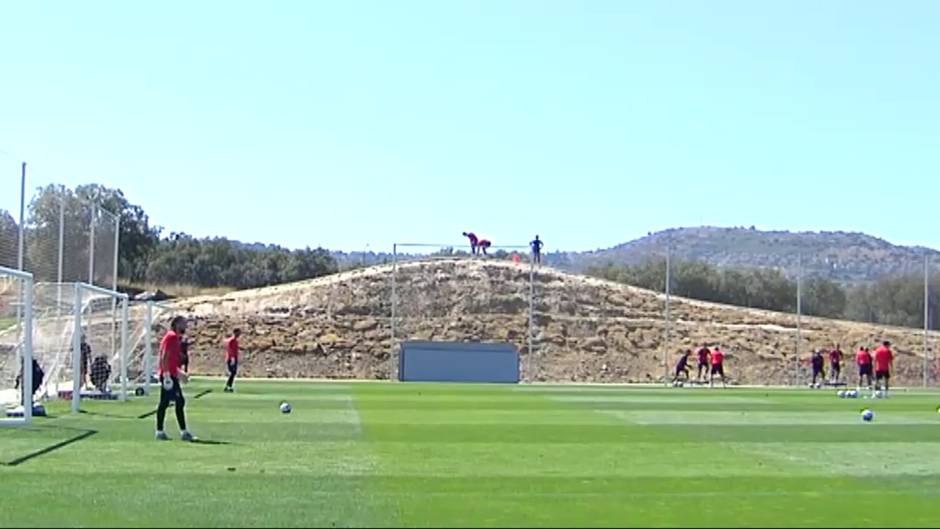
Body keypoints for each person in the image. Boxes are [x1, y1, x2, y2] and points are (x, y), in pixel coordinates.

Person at [155, 316, 194, 442]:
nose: (185, 326)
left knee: (166, 403)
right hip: (168, 376)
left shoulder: (175, 338)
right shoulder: (171, 336)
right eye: (183, 323)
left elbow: (171, 361)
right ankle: (183, 432)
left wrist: (180, 373)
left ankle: (160, 431)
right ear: (177, 324)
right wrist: (166, 375)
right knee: (178, 401)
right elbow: (164, 356)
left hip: (171, 374)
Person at [224, 329, 242, 393]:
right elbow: (230, 350)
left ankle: (228, 386)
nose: (239, 334)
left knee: (233, 373)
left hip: (234, 358)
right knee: (233, 372)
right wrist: (232, 359)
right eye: (238, 333)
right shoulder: (231, 340)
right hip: (231, 358)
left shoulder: (235, 341)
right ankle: (228, 386)